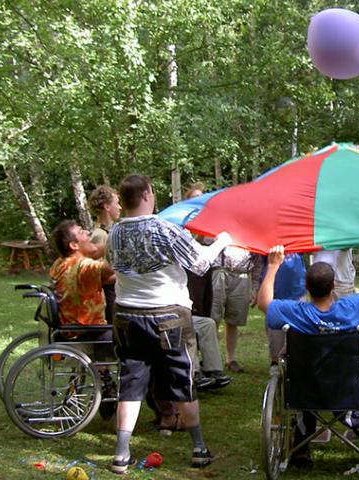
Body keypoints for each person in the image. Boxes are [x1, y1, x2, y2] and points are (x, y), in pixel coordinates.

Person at [106, 174, 232, 473]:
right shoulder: (165, 229)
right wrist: (223, 241)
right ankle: (199, 447)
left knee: (131, 382)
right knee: (182, 380)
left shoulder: (113, 234)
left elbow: (112, 267)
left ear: (122, 201)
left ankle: (121, 453)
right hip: (168, 316)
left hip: (127, 316)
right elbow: (200, 263)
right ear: (148, 194)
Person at [258, 237, 359, 468]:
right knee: (346, 375)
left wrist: (272, 266)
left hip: (304, 388)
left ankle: (300, 447)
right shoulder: (351, 309)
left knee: (304, 381)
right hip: (345, 385)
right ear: (334, 285)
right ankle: (357, 428)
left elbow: (264, 303)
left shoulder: (295, 312)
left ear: (306, 287)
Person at [183, 183, 260, 374]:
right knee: (213, 317)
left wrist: (255, 287)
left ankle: (230, 359)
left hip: (242, 275)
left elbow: (257, 258)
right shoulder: (210, 218)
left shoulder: (249, 223)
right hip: (218, 272)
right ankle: (209, 360)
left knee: (234, 319)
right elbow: (196, 246)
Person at [49, 220, 115, 347]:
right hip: (90, 332)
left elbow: (106, 274)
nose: (87, 232)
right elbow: (110, 269)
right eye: (81, 232)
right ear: (74, 245)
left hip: (70, 328)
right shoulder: (83, 267)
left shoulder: (60, 263)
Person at [259, 252, 306, 365]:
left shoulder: (297, 240)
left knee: (298, 334)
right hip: (274, 293)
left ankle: (295, 364)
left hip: (297, 292)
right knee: (275, 335)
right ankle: (275, 364)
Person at [88, 185, 121, 323]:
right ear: (107, 207)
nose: (120, 207)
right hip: (109, 295)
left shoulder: (109, 232)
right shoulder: (100, 235)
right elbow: (101, 276)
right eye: (117, 203)